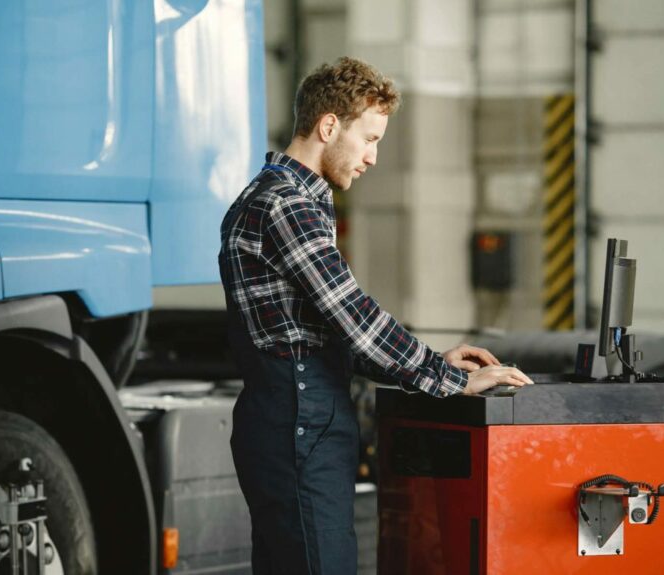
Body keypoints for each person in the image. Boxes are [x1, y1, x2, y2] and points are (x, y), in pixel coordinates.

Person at [218, 56, 533, 575]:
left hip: (295, 419)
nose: (373, 157)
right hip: (300, 424)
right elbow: (355, 319)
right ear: (328, 126)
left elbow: (320, 332)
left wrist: (433, 360)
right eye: (369, 139)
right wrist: (449, 378)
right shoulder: (283, 207)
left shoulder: (292, 201)